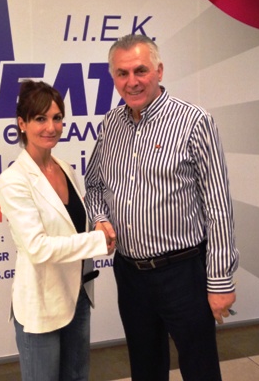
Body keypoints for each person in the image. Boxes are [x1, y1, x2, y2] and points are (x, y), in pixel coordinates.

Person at [84, 34, 238, 381]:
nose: (132, 81)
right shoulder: (110, 125)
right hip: (130, 274)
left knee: (200, 370)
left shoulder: (194, 121)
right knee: (145, 369)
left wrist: (220, 281)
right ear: (113, 78)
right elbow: (93, 185)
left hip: (183, 273)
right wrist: (99, 218)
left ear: (159, 71)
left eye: (140, 70)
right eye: (122, 73)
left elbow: (218, 206)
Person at [0, 80, 115, 381]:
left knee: (77, 378)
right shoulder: (14, 180)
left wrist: (100, 223)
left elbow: (76, 222)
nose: (51, 127)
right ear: (22, 124)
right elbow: (38, 248)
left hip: (77, 297)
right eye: (40, 118)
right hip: (41, 304)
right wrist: (97, 241)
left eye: (57, 118)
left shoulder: (65, 168)